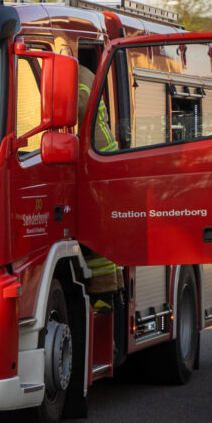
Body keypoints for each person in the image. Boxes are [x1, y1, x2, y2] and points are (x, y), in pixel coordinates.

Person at [77, 65, 123, 294]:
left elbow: (76, 108)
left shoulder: (76, 77)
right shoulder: (84, 72)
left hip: (98, 163)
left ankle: (104, 290)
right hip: (102, 159)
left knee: (96, 229)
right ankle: (113, 287)